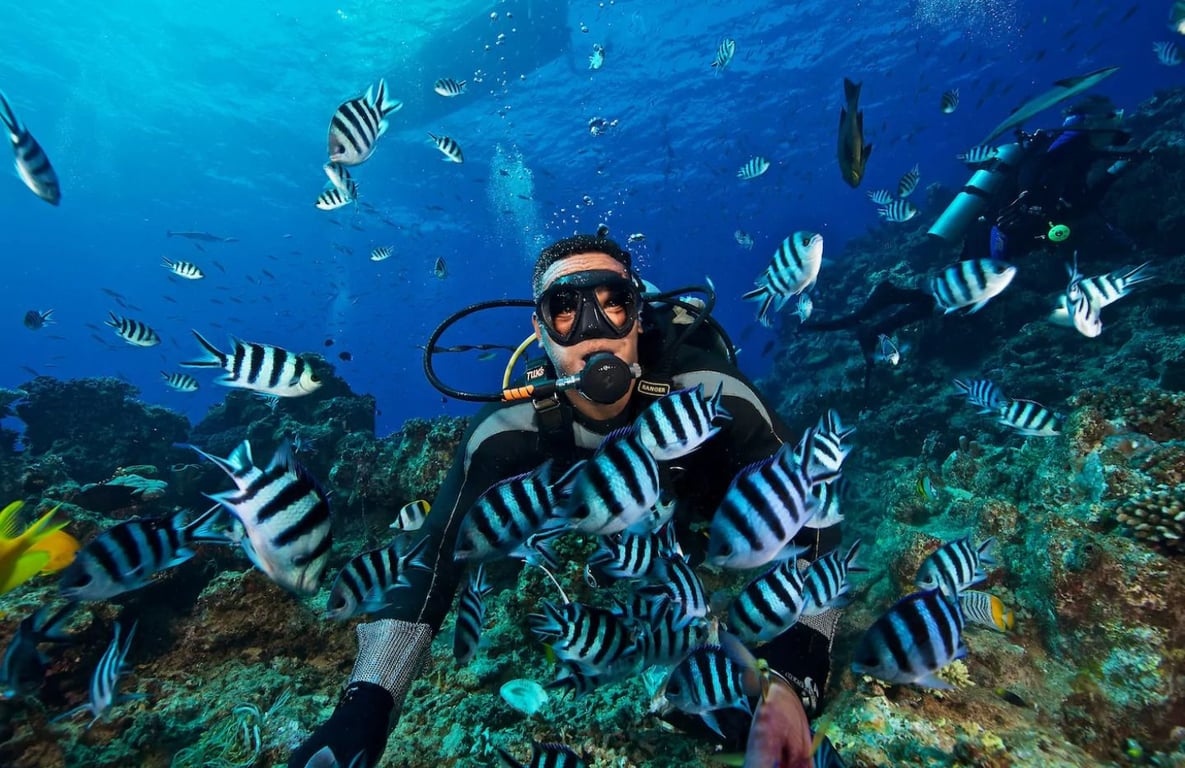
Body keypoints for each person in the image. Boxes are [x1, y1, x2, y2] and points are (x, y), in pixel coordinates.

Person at [288, 234, 843, 767]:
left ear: (640, 314)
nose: (593, 331)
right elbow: (433, 559)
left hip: (703, 522)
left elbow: (815, 505)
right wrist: (367, 705)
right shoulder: (509, 427)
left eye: (614, 305)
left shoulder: (709, 393)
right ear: (540, 328)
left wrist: (799, 666)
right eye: (565, 311)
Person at [945, 98, 1139, 263]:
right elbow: (1075, 202)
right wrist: (1114, 173)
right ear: (1094, 122)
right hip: (995, 239)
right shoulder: (1068, 148)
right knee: (963, 296)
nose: (1119, 124)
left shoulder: (1071, 147)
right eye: (1117, 116)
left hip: (999, 236)